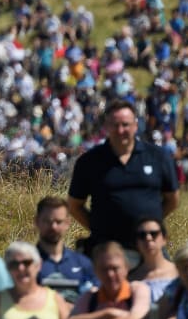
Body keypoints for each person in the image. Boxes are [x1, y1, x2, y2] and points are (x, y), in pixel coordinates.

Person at [67, 100, 179, 255]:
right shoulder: (89, 161)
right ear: (106, 126)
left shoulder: (158, 157)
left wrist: (151, 223)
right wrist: (98, 228)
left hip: (148, 248)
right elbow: (74, 206)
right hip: (105, 250)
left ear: (136, 125)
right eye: (115, 125)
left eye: (125, 124)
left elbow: (172, 199)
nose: (120, 130)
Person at [34, 196, 96, 305]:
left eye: (59, 222)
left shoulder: (83, 264)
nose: (53, 227)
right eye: (47, 221)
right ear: (36, 221)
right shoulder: (24, 263)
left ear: (67, 223)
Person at [0, 241, 70, 319]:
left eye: (26, 263)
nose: (20, 268)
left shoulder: (55, 300)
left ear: (38, 265)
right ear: (7, 268)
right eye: (14, 264)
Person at [68, 242, 150, 319]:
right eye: (104, 269)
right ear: (95, 271)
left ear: (126, 268)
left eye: (115, 268)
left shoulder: (137, 290)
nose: (110, 274)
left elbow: (135, 317)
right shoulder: (90, 298)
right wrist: (108, 313)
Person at [128, 217, 177, 310]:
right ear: (136, 243)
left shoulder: (180, 272)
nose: (148, 238)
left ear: (164, 239)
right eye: (142, 235)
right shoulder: (131, 278)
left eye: (154, 234)